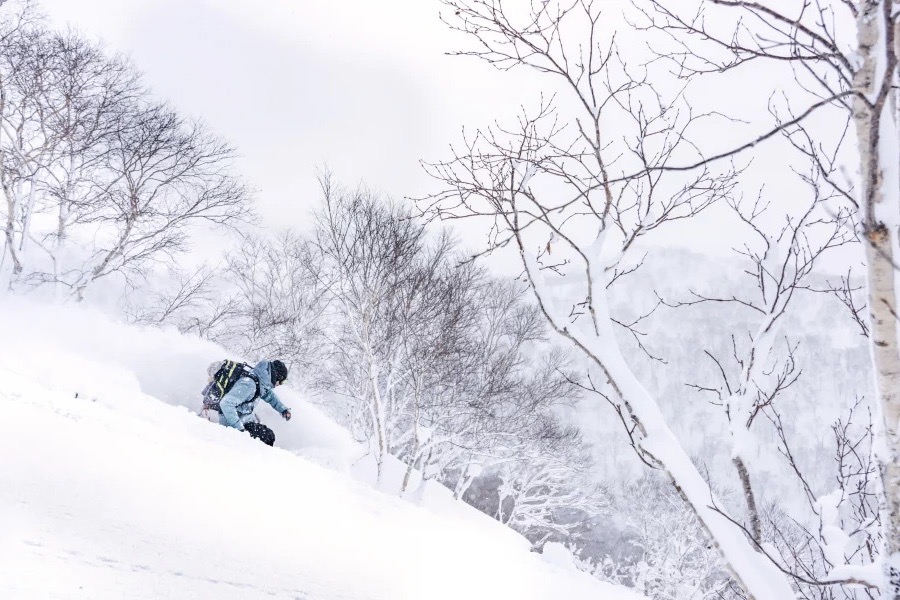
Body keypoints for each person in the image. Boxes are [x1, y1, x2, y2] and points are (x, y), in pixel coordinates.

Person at [213, 359, 292, 444]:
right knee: (267, 438)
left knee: (268, 435)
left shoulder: (259, 381)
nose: (280, 384)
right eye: (282, 381)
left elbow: (269, 396)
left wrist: (283, 409)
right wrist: (240, 429)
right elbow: (226, 403)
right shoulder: (249, 384)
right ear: (276, 376)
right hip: (231, 422)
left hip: (244, 417)